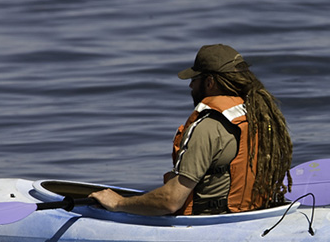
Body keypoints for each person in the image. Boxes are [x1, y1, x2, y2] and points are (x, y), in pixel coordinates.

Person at [89, 44, 293, 216]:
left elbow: (171, 201)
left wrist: (118, 203)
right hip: (256, 215)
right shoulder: (262, 115)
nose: (191, 86)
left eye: (195, 79)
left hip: (212, 223)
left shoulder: (208, 126)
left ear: (210, 82)